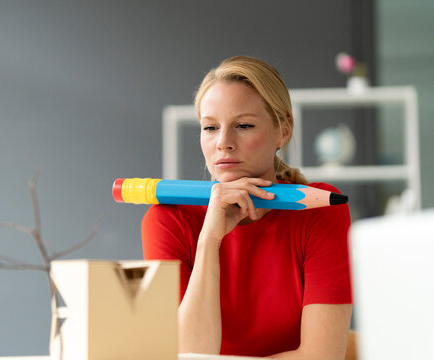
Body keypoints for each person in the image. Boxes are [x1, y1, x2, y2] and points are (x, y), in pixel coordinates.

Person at [142, 56, 352, 359]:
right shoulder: (166, 220)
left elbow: (321, 356)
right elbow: (189, 354)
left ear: (283, 131)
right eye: (210, 127)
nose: (223, 142)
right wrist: (210, 240)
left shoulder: (319, 209)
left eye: (243, 125)